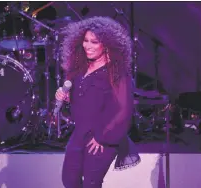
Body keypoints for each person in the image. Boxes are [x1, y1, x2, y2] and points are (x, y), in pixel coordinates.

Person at [55, 16, 141, 188]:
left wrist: (102, 137)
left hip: (102, 137)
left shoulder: (116, 73)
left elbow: (124, 110)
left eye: (94, 42)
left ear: (107, 44)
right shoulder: (79, 68)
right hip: (79, 134)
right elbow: (80, 102)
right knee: (69, 181)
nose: (87, 46)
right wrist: (64, 97)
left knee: (91, 184)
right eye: (85, 41)